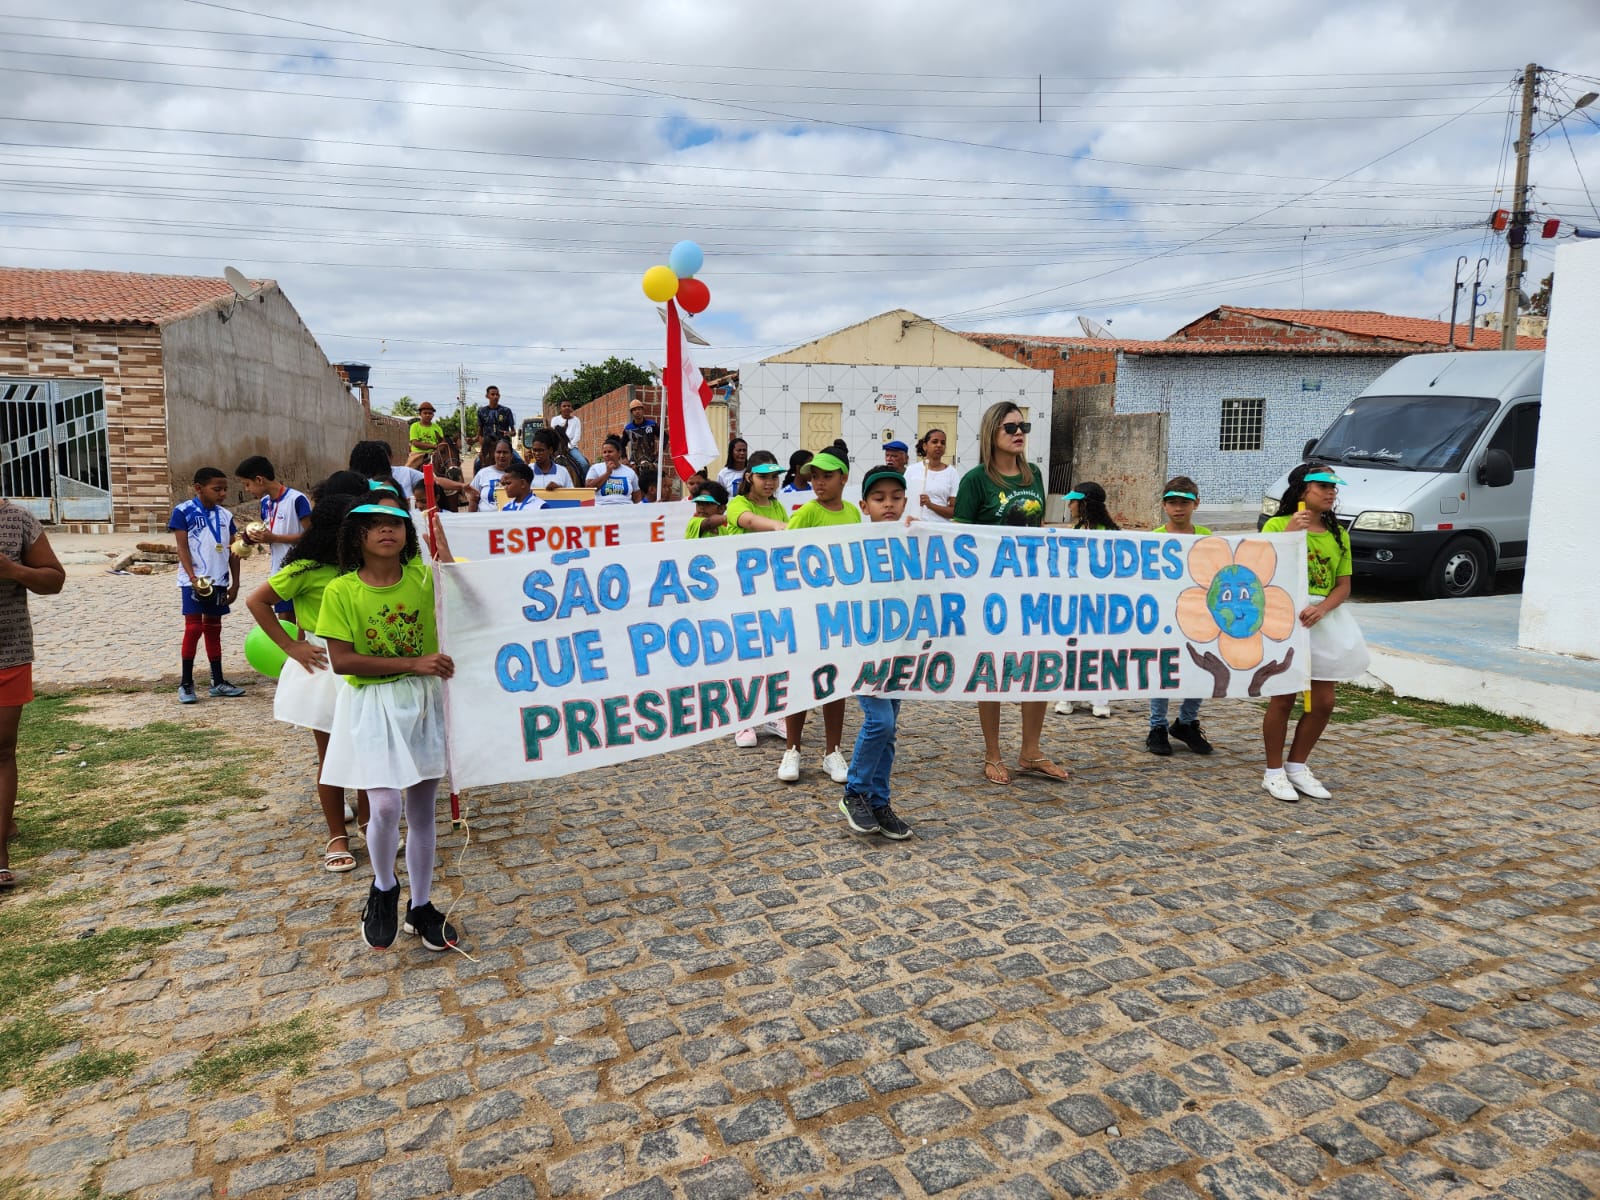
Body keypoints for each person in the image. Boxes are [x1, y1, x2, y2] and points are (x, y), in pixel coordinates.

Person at [318, 501, 459, 951]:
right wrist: (413, 662)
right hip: (372, 703)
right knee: (382, 806)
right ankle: (383, 888)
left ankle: (422, 905)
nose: (387, 531)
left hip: (423, 702)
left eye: (395, 525)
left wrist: (446, 550)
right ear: (357, 537)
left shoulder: (425, 577)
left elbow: (469, 598)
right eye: (375, 526)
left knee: (422, 810)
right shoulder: (341, 590)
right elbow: (342, 660)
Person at [245, 491, 367, 873]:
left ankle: (369, 824)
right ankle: (337, 835)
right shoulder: (305, 569)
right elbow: (257, 601)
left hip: (366, 664)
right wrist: (290, 646)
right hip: (324, 666)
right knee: (331, 756)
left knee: (368, 751)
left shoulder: (365, 565)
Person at [954, 404, 1067, 784]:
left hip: (1033, 588)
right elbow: (959, 538)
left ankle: (1030, 752)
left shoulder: (1034, 474)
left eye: (1024, 426)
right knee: (993, 669)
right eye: (1010, 427)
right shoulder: (975, 481)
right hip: (991, 591)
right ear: (992, 432)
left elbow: (1039, 526)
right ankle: (993, 753)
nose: (1019, 433)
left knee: (1038, 665)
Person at [1260, 465, 1370, 803]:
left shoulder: (1338, 534)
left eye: (1334, 487)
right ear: (1302, 489)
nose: (1330, 492)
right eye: (1322, 485)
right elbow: (1263, 568)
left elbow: (1343, 585)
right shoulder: (1277, 525)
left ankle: (1297, 765)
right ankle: (1273, 772)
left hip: (1322, 620)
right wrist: (1290, 533)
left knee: (1324, 702)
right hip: (1285, 618)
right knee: (1283, 697)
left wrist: (1322, 608)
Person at [838, 465, 913, 840]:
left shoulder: (912, 542)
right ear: (864, 505)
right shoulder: (855, 545)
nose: (889, 505)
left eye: (896, 498)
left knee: (890, 729)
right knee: (879, 722)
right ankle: (854, 792)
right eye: (880, 498)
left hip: (898, 652)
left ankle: (879, 801)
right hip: (865, 653)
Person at [781, 448, 859, 785]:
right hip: (806, 610)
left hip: (838, 612)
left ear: (844, 478)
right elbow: (785, 554)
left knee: (836, 682)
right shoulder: (807, 512)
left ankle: (833, 751)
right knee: (801, 678)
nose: (819, 482)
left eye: (827, 476)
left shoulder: (853, 513)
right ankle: (792, 749)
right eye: (814, 476)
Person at [0, 495, 65, 889]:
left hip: (8, 653)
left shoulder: (18, 520)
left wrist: (12, 570)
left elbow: (54, 581)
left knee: (2, 750)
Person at [1145, 477, 1214, 757]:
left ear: (1196, 504)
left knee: (1201, 667)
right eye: (1172, 502)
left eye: (1184, 502)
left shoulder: (1207, 536)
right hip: (1165, 615)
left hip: (1199, 614)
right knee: (1163, 670)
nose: (1178, 508)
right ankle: (1157, 726)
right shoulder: (1154, 537)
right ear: (1164, 505)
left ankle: (1186, 721)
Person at [170, 467, 245, 705]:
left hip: (219, 580)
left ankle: (218, 681)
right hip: (193, 581)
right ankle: (186, 683)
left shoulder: (225, 516)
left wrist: (235, 584)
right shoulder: (183, 511)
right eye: (217, 489)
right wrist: (192, 578)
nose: (223, 493)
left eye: (225, 489)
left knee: (214, 629)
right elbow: (182, 547)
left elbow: (234, 551)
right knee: (193, 629)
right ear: (198, 488)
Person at [1055, 482, 1120, 719]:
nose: (1070, 506)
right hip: (1074, 600)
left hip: (1101, 602)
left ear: (1084, 504)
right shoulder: (1073, 531)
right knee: (1071, 647)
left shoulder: (1110, 534)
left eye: (1073, 501)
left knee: (1099, 648)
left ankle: (1099, 698)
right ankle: (1068, 694)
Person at [235, 454, 311, 583]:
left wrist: (275, 538)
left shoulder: (296, 499)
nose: (246, 489)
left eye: (247, 484)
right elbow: (270, 533)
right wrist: (250, 539)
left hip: (298, 572)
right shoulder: (265, 502)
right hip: (277, 571)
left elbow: (312, 536)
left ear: (259, 480)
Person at [349, 440, 467, 504]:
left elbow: (435, 480)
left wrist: (461, 486)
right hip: (419, 452)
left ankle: (461, 497)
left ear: (391, 457)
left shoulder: (405, 472)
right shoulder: (360, 483)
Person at [903, 429, 957, 523]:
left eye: (943, 443)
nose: (939, 445)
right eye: (935, 442)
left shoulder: (952, 473)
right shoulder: (912, 470)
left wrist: (931, 505)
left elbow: (955, 512)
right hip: (916, 527)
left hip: (940, 528)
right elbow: (902, 502)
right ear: (925, 446)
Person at [587, 435, 642, 505]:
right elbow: (589, 489)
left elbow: (637, 497)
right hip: (601, 509)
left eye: (610, 452)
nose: (607, 454)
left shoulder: (630, 472)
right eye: (604, 452)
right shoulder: (595, 468)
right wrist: (607, 473)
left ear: (619, 453)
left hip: (625, 509)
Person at [471, 438, 516, 511]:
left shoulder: (518, 475)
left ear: (511, 455)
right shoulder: (482, 473)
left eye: (505, 452)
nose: (502, 455)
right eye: (498, 452)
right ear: (494, 454)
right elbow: (473, 500)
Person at [405, 403, 447, 469]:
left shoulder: (437, 428)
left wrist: (439, 448)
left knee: (450, 466)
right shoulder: (415, 426)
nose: (427, 415)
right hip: (418, 454)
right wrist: (433, 446)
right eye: (425, 413)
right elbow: (415, 443)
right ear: (420, 414)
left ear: (433, 415)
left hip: (435, 453)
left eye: (430, 413)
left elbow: (442, 442)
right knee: (408, 470)